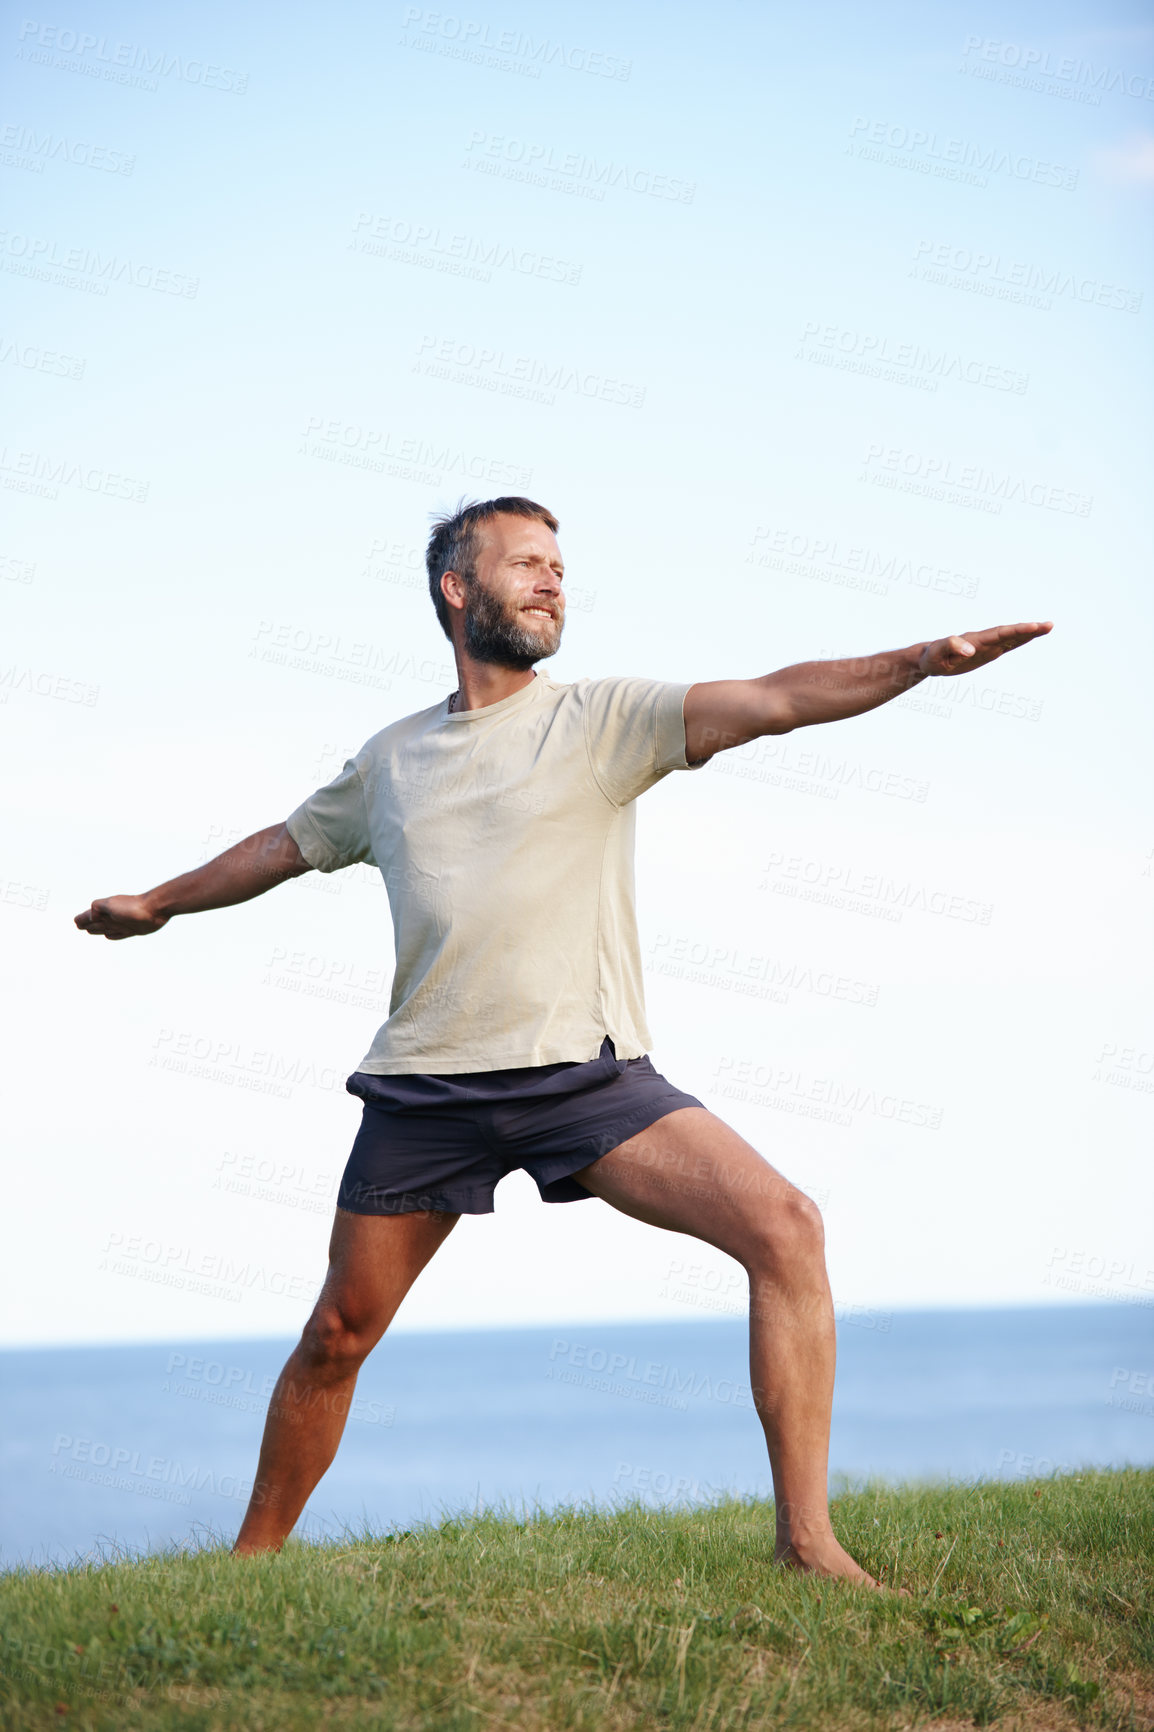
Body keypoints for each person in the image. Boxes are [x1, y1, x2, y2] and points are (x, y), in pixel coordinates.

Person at [75, 495, 1052, 1582]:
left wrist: (916, 659)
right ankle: (247, 1571)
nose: (552, 582)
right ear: (457, 588)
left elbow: (773, 698)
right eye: (526, 564)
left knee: (785, 1228)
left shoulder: (604, 718)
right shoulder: (392, 759)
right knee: (336, 1335)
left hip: (581, 1080)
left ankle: (804, 1540)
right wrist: (158, 901)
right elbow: (285, 844)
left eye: (558, 567)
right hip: (424, 1090)